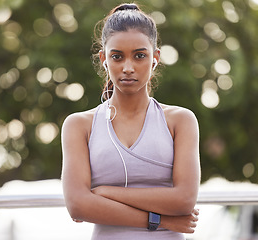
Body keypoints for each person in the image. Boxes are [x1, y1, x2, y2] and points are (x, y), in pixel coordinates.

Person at [61, 3, 200, 240]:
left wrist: (105, 193)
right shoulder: (78, 125)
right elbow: (77, 205)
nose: (127, 68)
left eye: (139, 56)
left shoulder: (180, 121)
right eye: (117, 56)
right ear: (104, 59)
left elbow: (185, 200)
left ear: (155, 58)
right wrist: (160, 220)